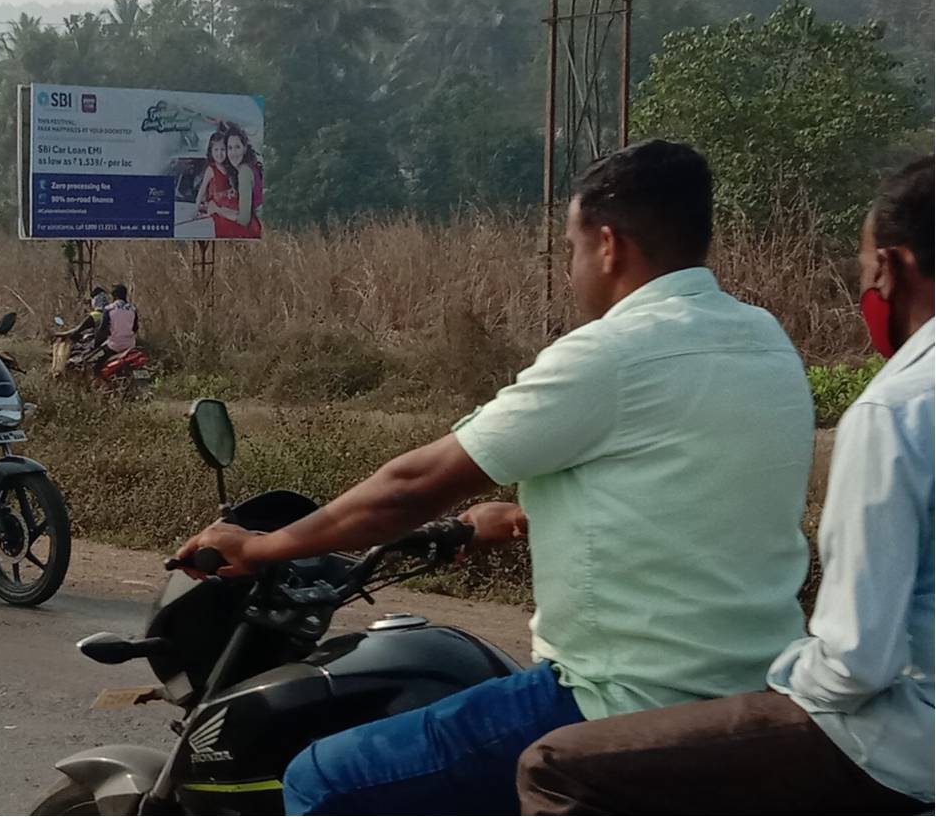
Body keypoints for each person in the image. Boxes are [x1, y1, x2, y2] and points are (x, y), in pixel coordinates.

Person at [173, 140, 816, 815]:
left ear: (606, 243)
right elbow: (695, 480)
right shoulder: (762, 339)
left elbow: (411, 485)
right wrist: (520, 515)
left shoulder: (609, 353)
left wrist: (258, 546)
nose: (570, 270)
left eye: (568, 248)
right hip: (751, 692)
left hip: (616, 699)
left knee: (321, 777)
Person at [516, 156, 934, 816]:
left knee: (556, 766)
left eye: (861, 272)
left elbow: (857, 663)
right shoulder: (762, 340)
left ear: (892, 265)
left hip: (904, 746)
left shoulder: (897, 410)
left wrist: (785, 675)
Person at [91, 283, 140, 372]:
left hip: (114, 346)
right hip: (131, 345)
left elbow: (102, 330)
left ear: (114, 296)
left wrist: (96, 344)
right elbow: (135, 328)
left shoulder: (109, 309)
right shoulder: (133, 309)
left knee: (95, 363)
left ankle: (98, 382)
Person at [194, 132, 234, 224]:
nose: (219, 153)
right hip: (214, 210)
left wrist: (231, 191)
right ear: (211, 151)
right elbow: (202, 190)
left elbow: (229, 188)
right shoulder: (211, 169)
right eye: (216, 150)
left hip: (227, 208)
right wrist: (196, 209)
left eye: (223, 149)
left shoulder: (229, 168)